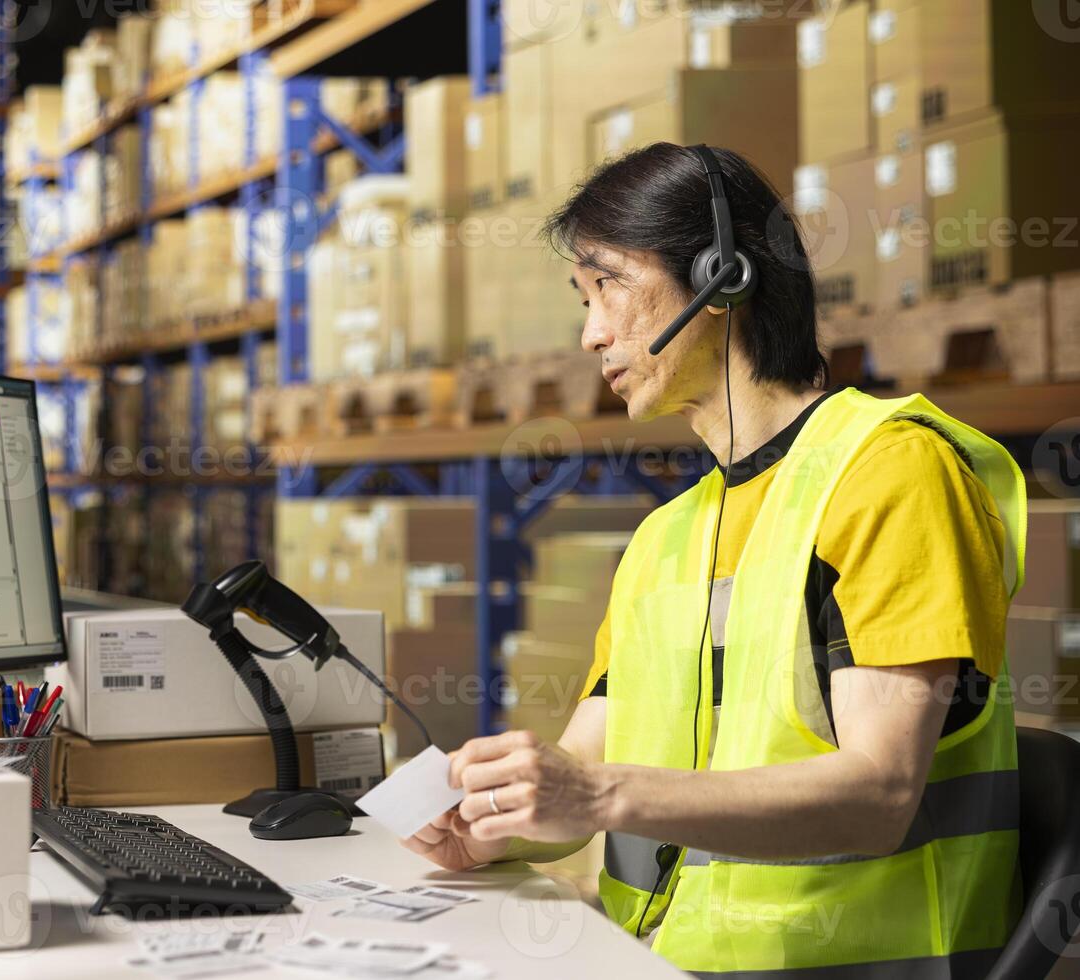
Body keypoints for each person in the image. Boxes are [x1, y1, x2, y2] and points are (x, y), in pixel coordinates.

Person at [405, 144, 1024, 977]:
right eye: (582, 299)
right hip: (659, 958)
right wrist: (492, 822)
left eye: (611, 284)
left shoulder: (890, 475)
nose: (591, 334)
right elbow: (587, 768)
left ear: (723, 275)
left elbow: (879, 796)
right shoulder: (666, 538)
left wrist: (593, 795)